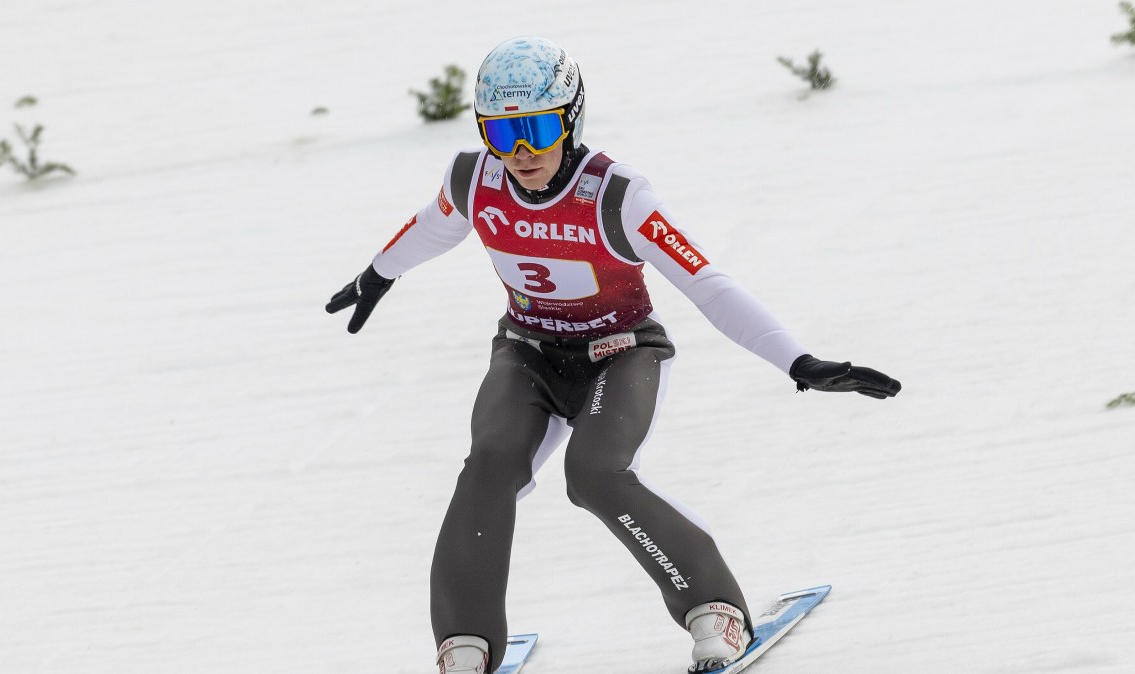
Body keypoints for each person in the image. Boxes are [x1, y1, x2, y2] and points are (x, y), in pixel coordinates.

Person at [326, 36, 901, 674]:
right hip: (526, 356)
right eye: (501, 132)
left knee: (595, 473)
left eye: (538, 129)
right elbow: (434, 224)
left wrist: (800, 362)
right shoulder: (474, 177)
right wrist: (377, 274)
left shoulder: (616, 195)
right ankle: (466, 645)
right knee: (487, 470)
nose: (520, 153)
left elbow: (705, 283)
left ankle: (715, 610)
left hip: (621, 354)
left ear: (569, 119)